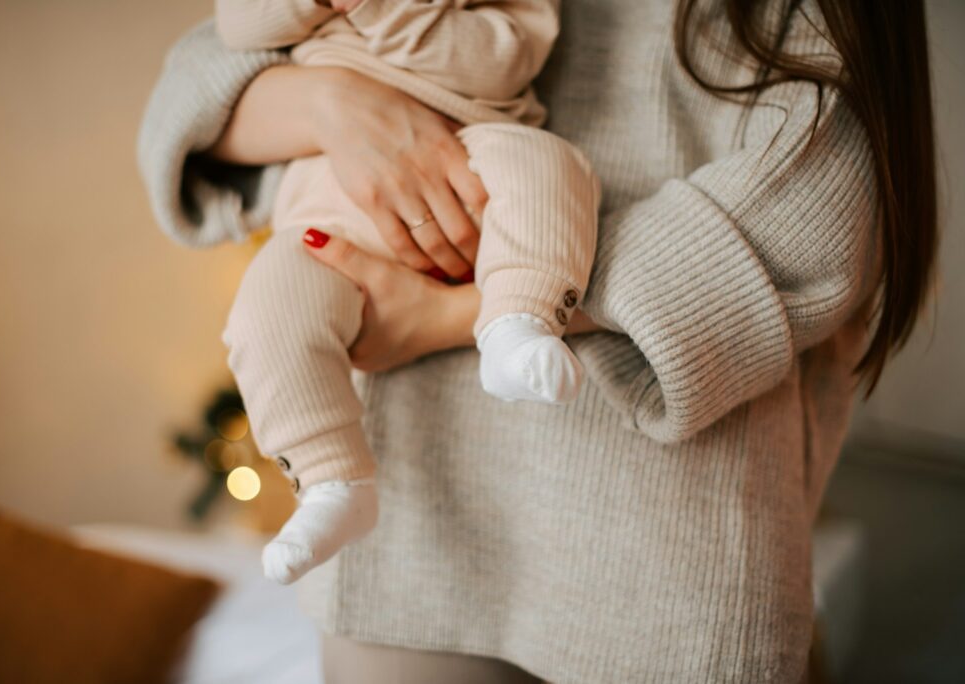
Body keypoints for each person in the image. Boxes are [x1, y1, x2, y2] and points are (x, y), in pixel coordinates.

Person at [137, 0, 937, 681]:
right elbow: (185, 95)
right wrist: (329, 104)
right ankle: (329, 478)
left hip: (666, 558)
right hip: (407, 550)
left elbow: (818, 218)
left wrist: (448, 313)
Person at [211, 0, 600, 586]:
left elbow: (504, 64)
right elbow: (235, 26)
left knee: (547, 166)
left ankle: (517, 321)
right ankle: (330, 482)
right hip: (327, 193)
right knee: (269, 308)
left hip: (472, 152)